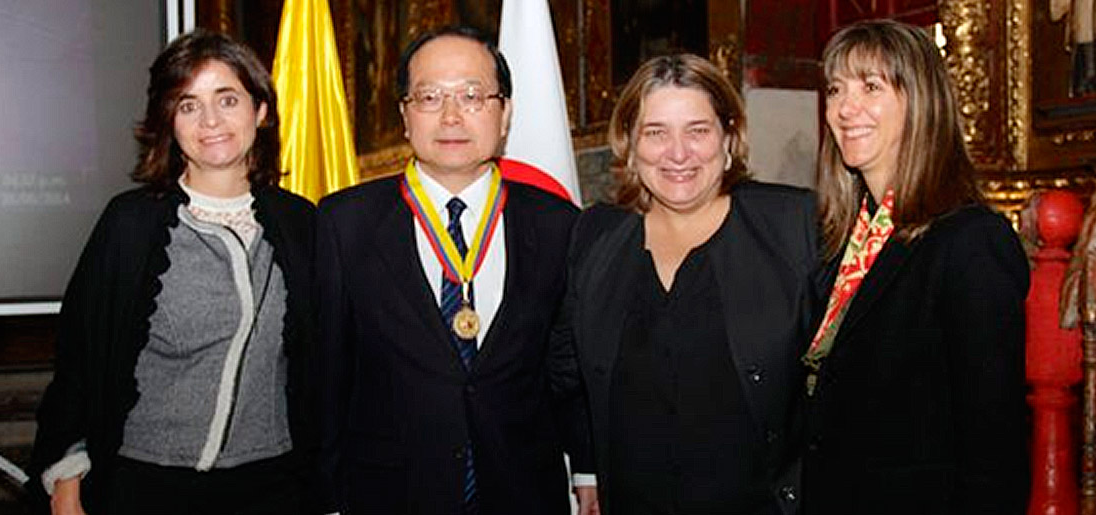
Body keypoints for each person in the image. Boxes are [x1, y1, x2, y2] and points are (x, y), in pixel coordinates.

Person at [26, 30, 316, 514]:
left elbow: (322, 366)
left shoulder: (301, 223)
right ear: (169, 121)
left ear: (261, 110)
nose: (210, 121)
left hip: (273, 486)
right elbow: (79, 361)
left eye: (227, 99)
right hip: (146, 485)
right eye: (188, 105)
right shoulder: (130, 224)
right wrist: (68, 479)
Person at [313, 25, 596, 515]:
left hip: (522, 491)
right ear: (405, 115)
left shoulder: (557, 223)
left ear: (504, 113)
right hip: (390, 493)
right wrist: (327, 497)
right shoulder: (345, 222)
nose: (450, 116)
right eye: (429, 97)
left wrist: (588, 468)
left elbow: (567, 366)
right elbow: (325, 374)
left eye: (471, 96)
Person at [552, 53, 817, 515]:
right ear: (630, 144)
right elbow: (567, 369)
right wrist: (588, 466)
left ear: (728, 137)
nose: (678, 153)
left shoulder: (796, 226)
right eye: (656, 133)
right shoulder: (596, 236)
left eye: (697, 130)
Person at [801, 19, 1029, 514]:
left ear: (921, 102)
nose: (844, 108)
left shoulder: (970, 241)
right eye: (836, 89)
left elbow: (996, 445)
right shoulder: (847, 237)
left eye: (871, 86)